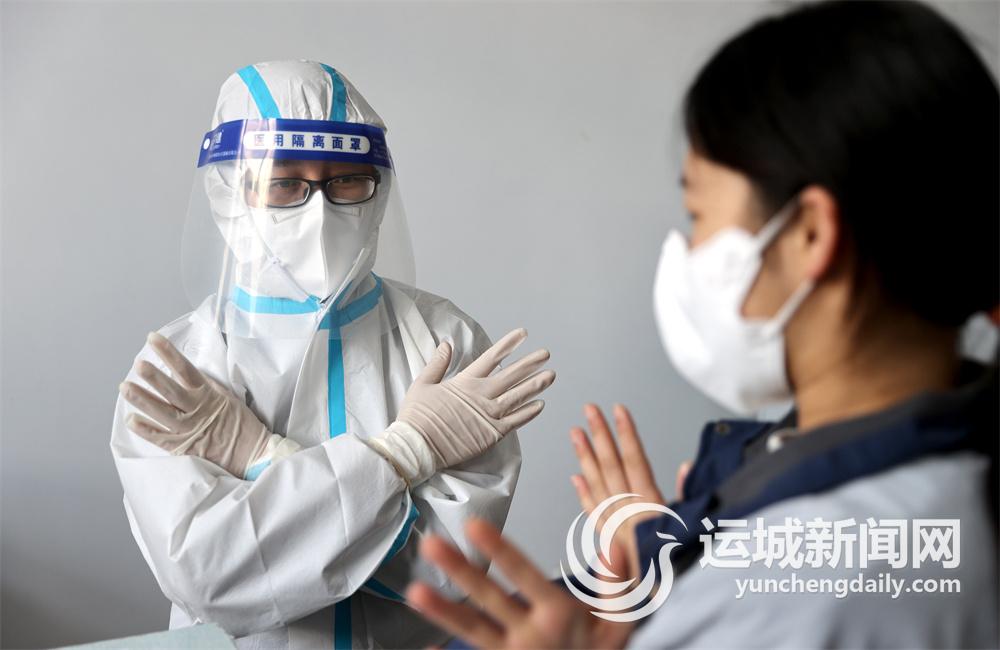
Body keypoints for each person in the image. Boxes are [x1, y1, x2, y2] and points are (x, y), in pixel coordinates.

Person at [405, 2, 999, 647]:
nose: (687, 252)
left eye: (698, 215)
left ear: (809, 235)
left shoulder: (823, 591)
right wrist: (667, 566)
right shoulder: (875, 480)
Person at [110, 60, 555, 649]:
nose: (319, 210)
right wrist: (404, 455)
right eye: (283, 182)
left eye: (346, 180)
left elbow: (447, 575)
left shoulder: (445, 342)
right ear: (228, 190)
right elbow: (212, 580)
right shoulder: (180, 369)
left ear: (377, 187)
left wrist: (263, 462)